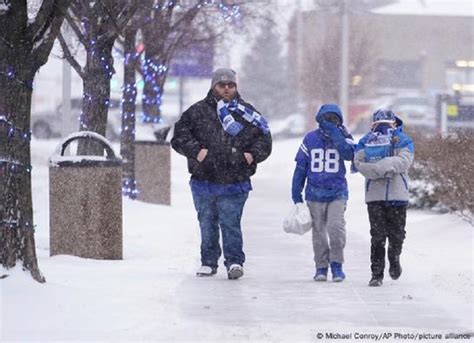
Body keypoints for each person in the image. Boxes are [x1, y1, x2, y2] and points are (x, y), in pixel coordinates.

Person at [171, 68, 272, 280]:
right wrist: (197, 152)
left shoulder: (248, 113)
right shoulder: (197, 112)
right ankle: (208, 261)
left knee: (230, 222)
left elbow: (264, 139)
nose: (226, 89)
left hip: (235, 181)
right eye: (222, 84)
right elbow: (179, 137)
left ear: (236, 87)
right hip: (203, 179)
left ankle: (234, 261)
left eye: (231, 85)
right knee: (207, 222)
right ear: (213, 86)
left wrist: (251, 156)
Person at [291, 104, 355, 282]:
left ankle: (337, 264)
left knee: (336, 229)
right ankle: (321, 266)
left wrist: (336, 134)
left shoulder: (344, 136)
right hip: (314, 193)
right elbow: (301, 166)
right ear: (320, 119)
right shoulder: (311, 138)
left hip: (337, 192)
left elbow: (350, 155)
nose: (330, 122)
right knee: (318, 233)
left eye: (334, 119)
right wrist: (296, 192)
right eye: (327, 118)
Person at [354, 108, 414, 287]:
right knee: (377, 236)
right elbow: (358, 162)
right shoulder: (366, 140)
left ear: (394, 123)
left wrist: (381, 166)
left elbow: (404, 161)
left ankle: (394, 257)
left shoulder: (403, 140)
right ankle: (376, 274)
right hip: (375, 196)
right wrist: (377, 171)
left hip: (398, 195)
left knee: (397, 235)